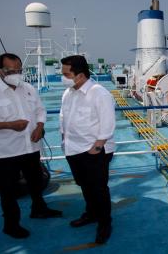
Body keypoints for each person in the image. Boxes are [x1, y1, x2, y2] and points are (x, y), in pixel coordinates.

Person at [0, 53, 62, 239]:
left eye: (19, 70)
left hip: (30, 148)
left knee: (36, 182)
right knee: (8, 191)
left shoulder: (28, 88)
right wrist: (8, 125)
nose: (16, 73)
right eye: (10, 70)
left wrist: (40, 126)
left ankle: (39, 209)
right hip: (5, 152)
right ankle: (11, 225)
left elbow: (40, 110)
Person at [59, 55, 115, 244]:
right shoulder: (69, 93)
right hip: (73, 149)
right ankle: (91, 214)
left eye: (66, 73)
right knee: (85, 186)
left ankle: (105, 223)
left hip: (93, 151)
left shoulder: (99, 93)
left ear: (80, 75)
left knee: (99, 189)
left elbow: (107, 124)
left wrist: (96, 148)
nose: (62, 77)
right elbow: (63, 117)